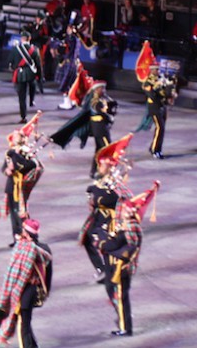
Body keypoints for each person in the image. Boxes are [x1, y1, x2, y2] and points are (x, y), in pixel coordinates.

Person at [98, 182, 160, 337]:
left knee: (121, 296)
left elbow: (131, 248)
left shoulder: (132, 226)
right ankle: (122, 319)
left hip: (123, 267)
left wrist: (112, 249)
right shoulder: (127, 224)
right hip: (118, 265)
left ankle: (125, 327)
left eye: (125, 209)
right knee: (112, 291)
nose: (122, 210)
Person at [79, 136, 133, 282]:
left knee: (105, 245)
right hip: (97, 216)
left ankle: (112, 271)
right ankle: (101, 268)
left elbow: (128, 197)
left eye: (102, 164)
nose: (99, 166)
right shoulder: (100, 179)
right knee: (87, 240)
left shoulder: (115, 182)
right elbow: (96, 191)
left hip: (110, 218)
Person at [0, 218, 53, 348]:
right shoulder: (44, 249)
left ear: (26, 233)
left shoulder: (25, 248)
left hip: (24, 291)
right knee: (26, 323)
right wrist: (46, 291)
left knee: (23, 327)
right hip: (33, 291)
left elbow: (13, 273)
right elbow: (49, 273)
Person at [2, 117, 43, 246]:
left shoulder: (25, 152)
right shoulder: (10, 153)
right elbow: (4, 167)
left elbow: (30, 165)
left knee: (22, 213)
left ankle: (29, 234)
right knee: (14, 216)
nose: (14, 138)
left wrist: (16, 158)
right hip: (11, 186)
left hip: (20, 187)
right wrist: (7, 171)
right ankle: (16, 237)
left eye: (16, 136)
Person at [137, 67, 176, 160]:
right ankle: (155, 150)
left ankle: (156, 147)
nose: (158, 71)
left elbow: (167, 93)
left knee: (161, 129)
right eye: (156, 70)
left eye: (158, 69)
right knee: (160, 127)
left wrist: (169, 88)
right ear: (151, 70)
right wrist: (159, 86)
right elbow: (152, 95)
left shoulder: (161, 79)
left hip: (162, 106)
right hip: (154, 107)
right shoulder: (147, 82)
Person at [8, 30, 43, 123]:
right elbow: (38, 65)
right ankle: (32, 101)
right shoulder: (35, 49)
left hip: (20, 74)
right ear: (29, 39)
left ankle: (23, 116)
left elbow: (11, 62)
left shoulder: (16, 49)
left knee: (22, 97)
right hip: (31, 73)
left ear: (22, 39)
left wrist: (14, 68)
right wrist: (40, 77)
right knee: (32, 85)